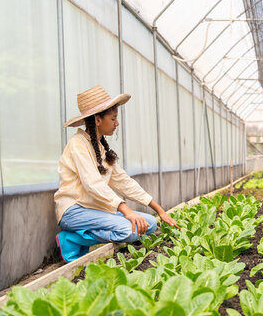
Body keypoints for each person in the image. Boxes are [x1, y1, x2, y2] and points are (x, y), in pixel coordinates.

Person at [54, 86, 177, 262]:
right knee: (130, 230)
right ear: (97, 120)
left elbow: (124, 182)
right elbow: (93, 184)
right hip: (74, 211)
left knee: (149, 223)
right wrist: (127, 211)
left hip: (95, 210)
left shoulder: (101, 148)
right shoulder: (77, 144)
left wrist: (160, 210)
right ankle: (70, 238)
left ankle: (83, 236)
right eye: (113, 118)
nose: (116, 123)